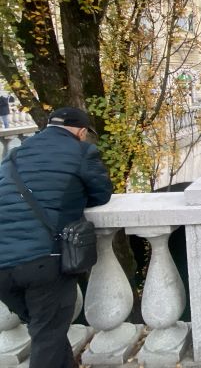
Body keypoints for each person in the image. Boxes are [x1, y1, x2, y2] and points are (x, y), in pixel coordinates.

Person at [0, 107, 113, 368]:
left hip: (3, 265)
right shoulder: (82, 151)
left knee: (46, 331)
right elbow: (101, 193)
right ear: (81, 131)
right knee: (47, 336)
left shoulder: (14, 154)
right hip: (42, 259)